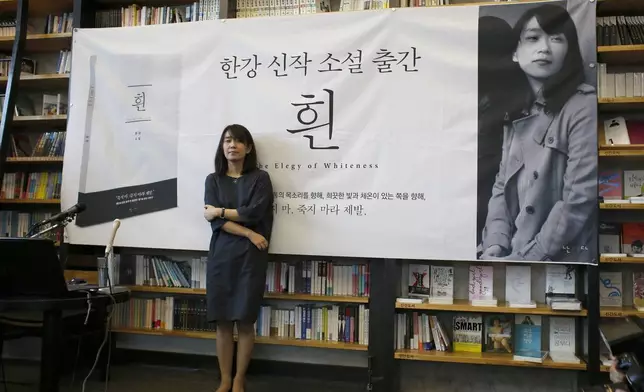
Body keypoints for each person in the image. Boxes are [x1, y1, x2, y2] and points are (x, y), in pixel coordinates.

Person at [479, 4, 597, 262]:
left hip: (557, 257)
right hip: (511, 252)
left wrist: (528, 256)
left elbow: (578, 198)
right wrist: (495, 243)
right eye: (533, 38)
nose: (544, 47)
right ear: (514, 52)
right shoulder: (516, 110)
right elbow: (501, 185)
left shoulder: (582, 105)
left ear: (569, 50)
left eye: (556, 38)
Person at [203, 124, 274, 392]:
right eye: (227, 141)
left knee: (245, 320)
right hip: (222, 254)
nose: (232, 145)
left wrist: (220, 211)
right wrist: (247, 232)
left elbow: (254, 212)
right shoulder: (213, 179)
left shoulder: (260, 178)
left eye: (238, 141)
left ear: (249, 147)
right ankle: (223, 379)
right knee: (222, 321)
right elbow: (216, 223)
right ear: (222, 147)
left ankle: (239, 379)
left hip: (250, 258)